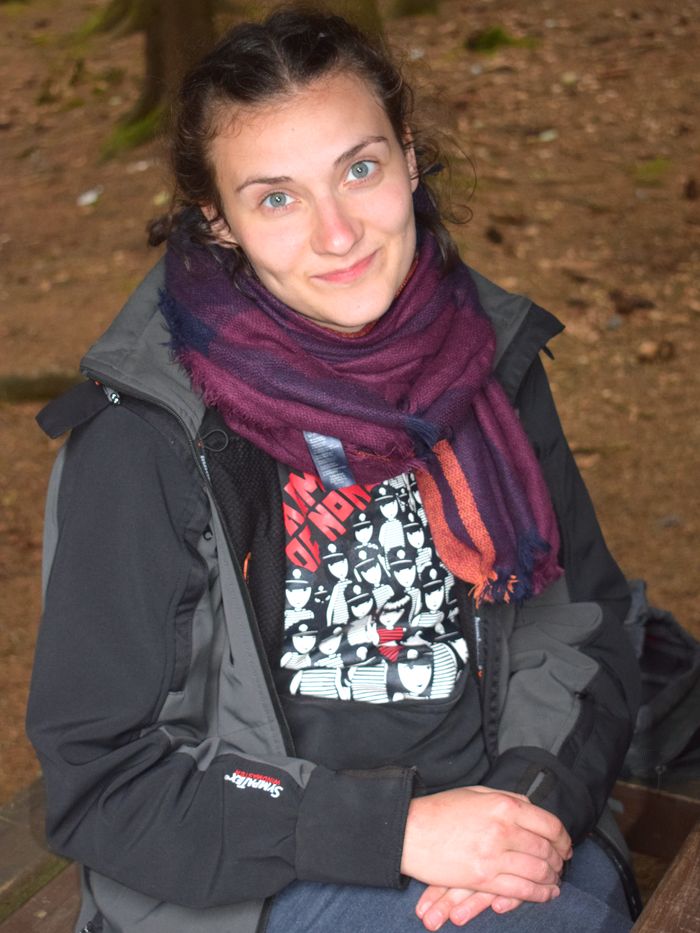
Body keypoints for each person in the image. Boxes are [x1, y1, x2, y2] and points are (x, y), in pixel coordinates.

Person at [27, 9, 641, 933]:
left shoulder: (484, 357)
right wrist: (395, 830)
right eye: (277, 198)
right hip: (257, 875)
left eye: (360, 170)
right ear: (218, 219)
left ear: (409, 159)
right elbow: (107, 775)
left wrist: (531, 795)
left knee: (574, 908)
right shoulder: (144, 433)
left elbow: (577, 623)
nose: (339, 234)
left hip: (486, 807)